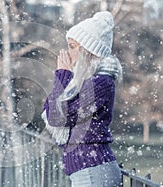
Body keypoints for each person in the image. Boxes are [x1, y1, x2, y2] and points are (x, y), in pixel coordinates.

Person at [41, 11, 123, 187]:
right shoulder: (81, 83)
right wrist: (63, 79)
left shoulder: (101, 83)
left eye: (72, 46)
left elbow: (56, 117)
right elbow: (48, 109)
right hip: (86, 171)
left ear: (87, 49)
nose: (67, 53)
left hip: (93, 172)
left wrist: (62, 75)